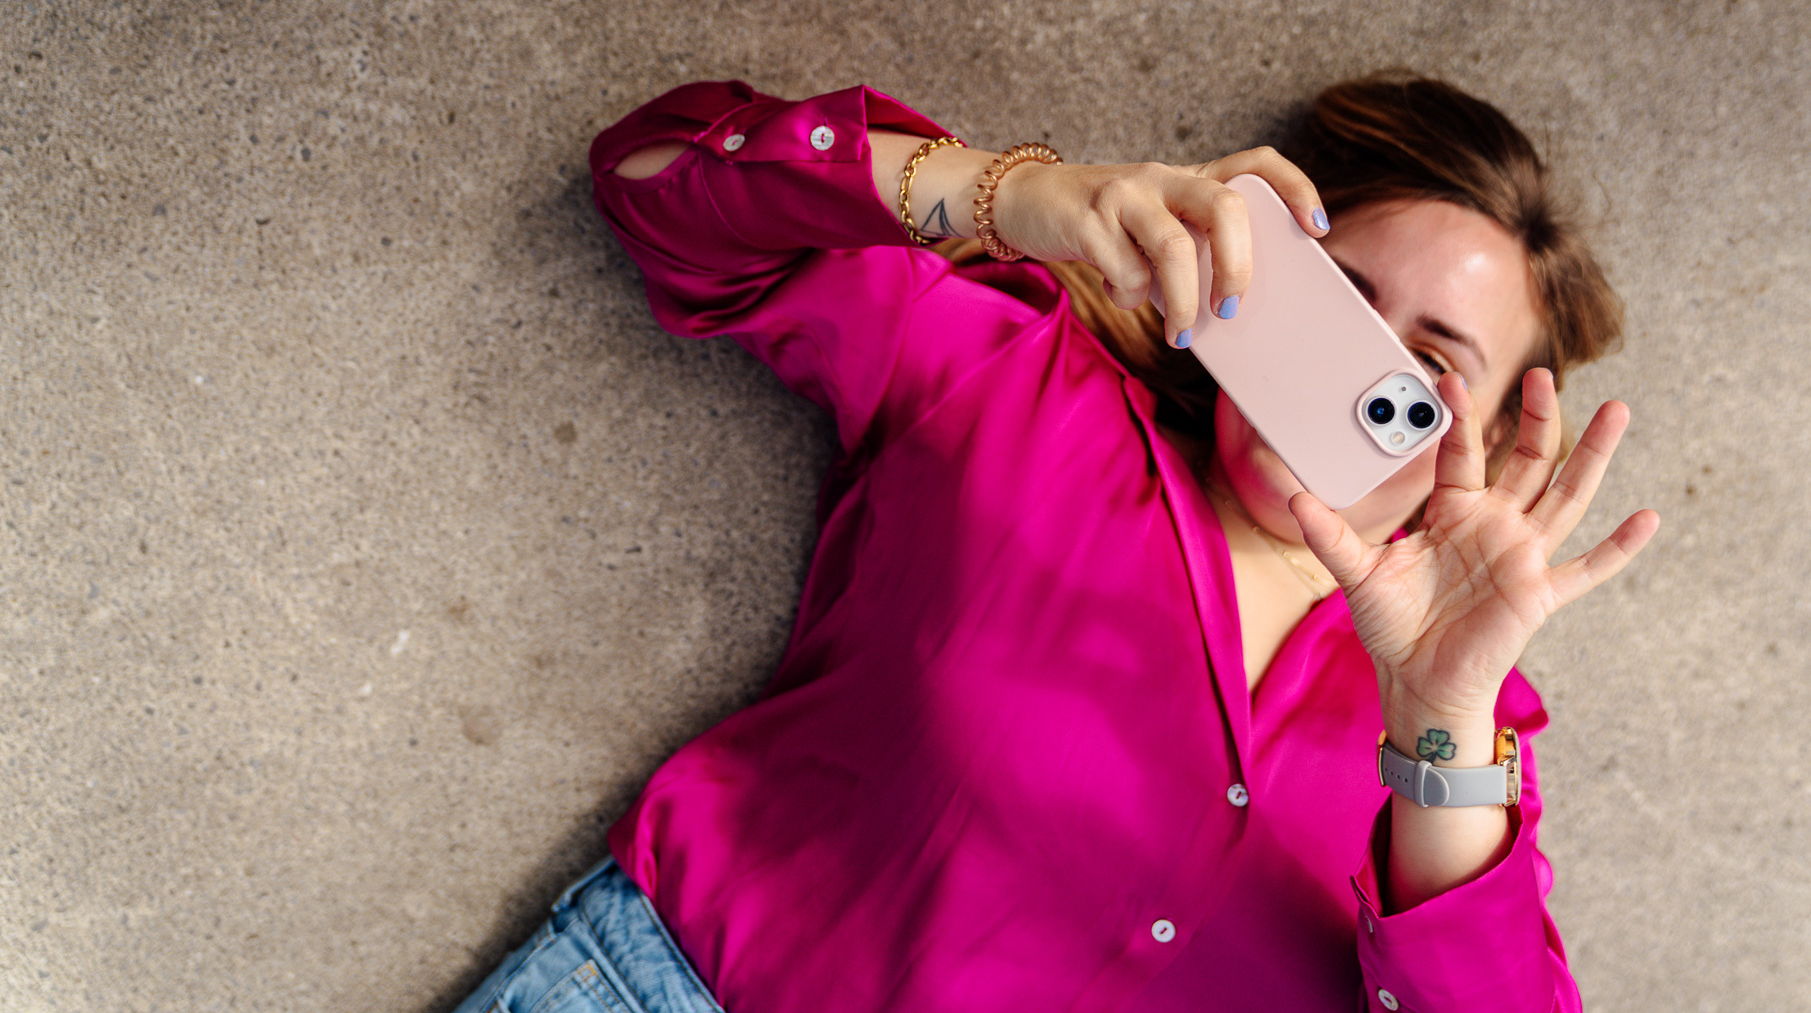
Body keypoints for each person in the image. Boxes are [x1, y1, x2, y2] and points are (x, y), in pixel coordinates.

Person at [450, 75, 1659, 1013]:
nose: (1352, 375)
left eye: (1429, 365)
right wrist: (1007, 192)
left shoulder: (1463, 745)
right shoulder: (1013, 381)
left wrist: (1441, 724)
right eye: (1334, 299)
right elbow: (655, 178)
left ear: (1496, 437)